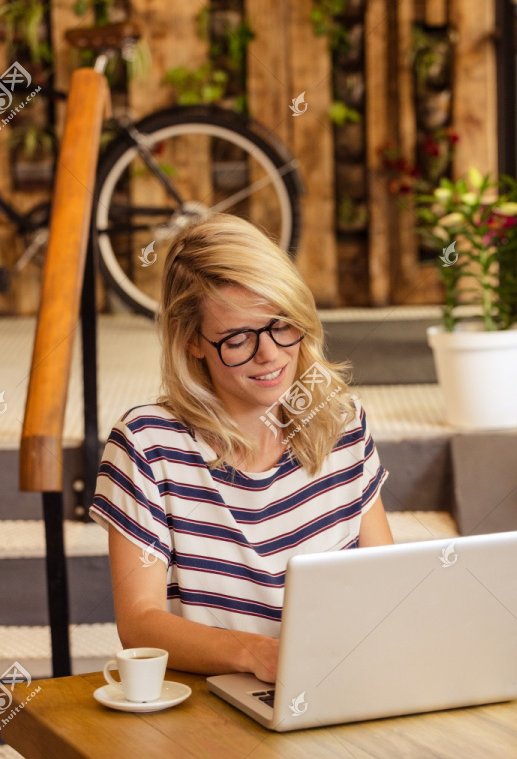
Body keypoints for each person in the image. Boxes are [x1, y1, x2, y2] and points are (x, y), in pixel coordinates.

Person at [89, 214, 393, 684]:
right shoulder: (149, 446)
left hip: (336, 683)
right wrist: (258, 654)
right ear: (191, 341)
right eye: (237, 339)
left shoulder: (340, 421)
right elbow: (139, 623)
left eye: (281, 325)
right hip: (215, 706)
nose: (270, 354)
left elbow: (383, 579)